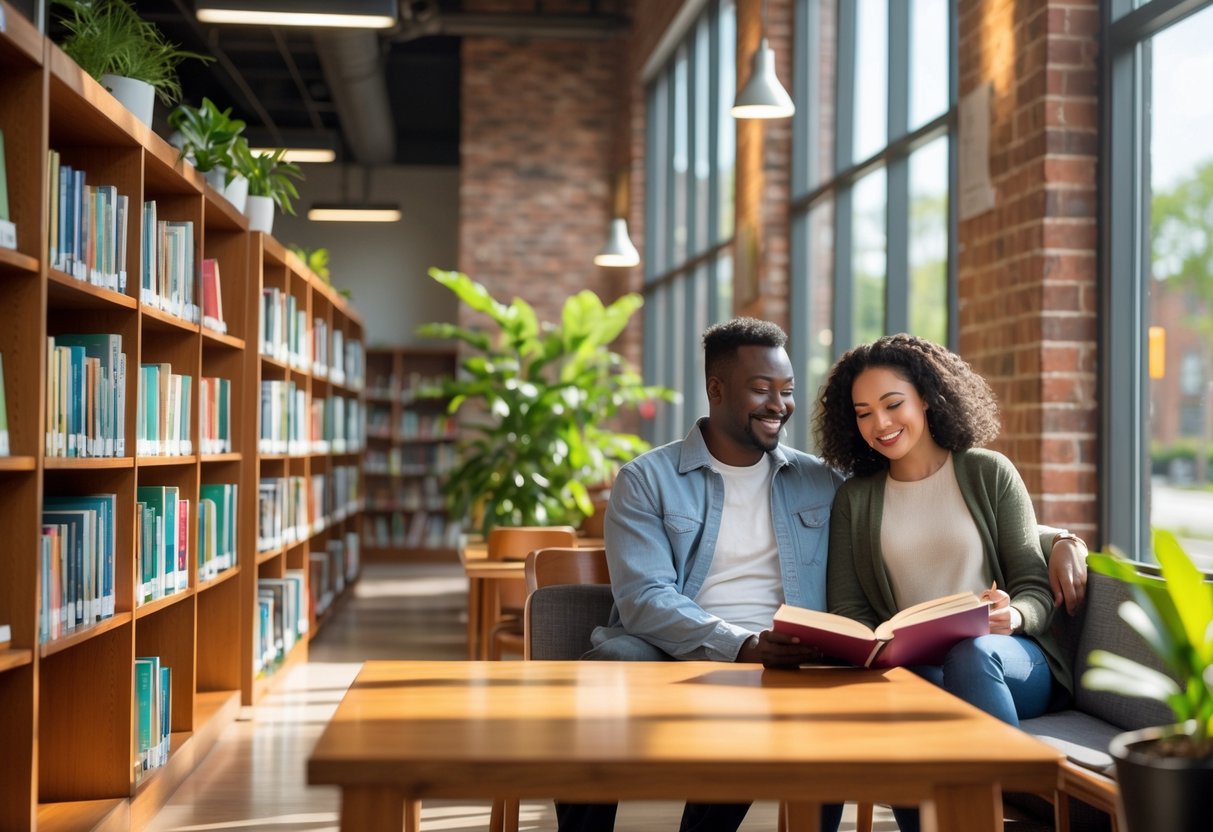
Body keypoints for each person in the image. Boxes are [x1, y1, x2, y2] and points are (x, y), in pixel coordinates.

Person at [562, 319, 1085, 832]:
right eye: (761, 389)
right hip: (684, 645)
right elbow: (645, 599)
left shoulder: (820, 481)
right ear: (715, 389)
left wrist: (1063, 540)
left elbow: (986, 522)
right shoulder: (647, 480)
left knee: (866, 692)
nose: (778, 404)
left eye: (787, 390)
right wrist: (742, 645)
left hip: (792, 655)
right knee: (610, 665)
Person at [813, 333, 1078, 832]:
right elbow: (849, 608)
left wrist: (1014, 614)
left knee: (969, 654)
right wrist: (876, 645)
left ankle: (995, 807)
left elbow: (1033, 586)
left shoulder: (987, 472)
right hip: (916, 672)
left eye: (893, 404)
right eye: (864, 412)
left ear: (928, 399)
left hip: (1006, 662)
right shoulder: (855, 499)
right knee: (908, 697)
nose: (880, 424)